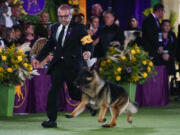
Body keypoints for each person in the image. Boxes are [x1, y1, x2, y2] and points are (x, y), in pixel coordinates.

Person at [31, 4, 93, 128]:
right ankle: (51, 120)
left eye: (65, 16)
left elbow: (88, 43)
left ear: (70, 15)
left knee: (74, 93)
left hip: (73, 65)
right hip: (58, 64)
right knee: (53, 91)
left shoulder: (79, 28)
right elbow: (49, 45)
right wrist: (38, 58)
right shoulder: (54, 27)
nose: (63, 19)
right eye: (60, 17)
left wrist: (88, 51)